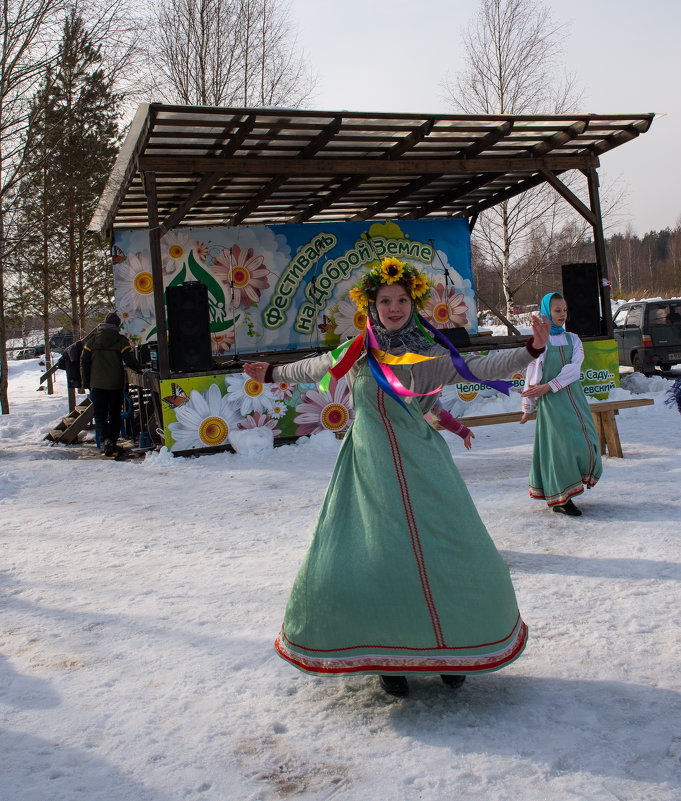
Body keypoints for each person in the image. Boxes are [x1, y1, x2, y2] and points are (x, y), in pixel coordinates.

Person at [244, 257, 550, 698]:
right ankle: (389, 659)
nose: (393, 307)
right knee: (376, 561)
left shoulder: (427, 353)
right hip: (370, 472)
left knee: (450, 551)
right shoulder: (356, 351)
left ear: (414, 303)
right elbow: (311, 368)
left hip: (424, 467)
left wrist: (530, 352)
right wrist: (270, 372)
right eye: (385, 300)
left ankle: (453, 650)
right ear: (370, 305)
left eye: (401, 300)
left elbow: (480, 367)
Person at [520, 292, 602, 516]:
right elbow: (533, 375)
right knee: (560, 448)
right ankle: (561, 499)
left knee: (586, 440)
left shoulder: (573, 339)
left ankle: (572, 487)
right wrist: (528, 406)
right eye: (557, 310)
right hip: (553, 404)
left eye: (564, 309)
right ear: (547, 312)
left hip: (574, 397)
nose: (562, 314)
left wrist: (550, 385)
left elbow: (575, 369)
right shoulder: (541, 344)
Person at [80, 311, 141, 457]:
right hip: (115, 384)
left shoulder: (92, 341)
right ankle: (112, 442)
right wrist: (141, 369)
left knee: (100, 414)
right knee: (115, 414)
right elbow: (130, 361)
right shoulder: (120, 341)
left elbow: (84, 362)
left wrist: (86, 383)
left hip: (97, 385)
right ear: (116, 326)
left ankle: (105, 439)